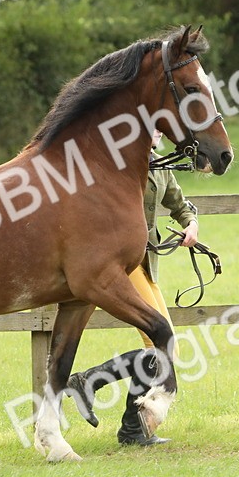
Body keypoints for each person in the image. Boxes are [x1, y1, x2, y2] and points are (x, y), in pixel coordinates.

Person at [66, 131, 198, 446]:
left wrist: (191, 224)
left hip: (147, 262)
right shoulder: (119, 161)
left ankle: (126, 423)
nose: (155, 131)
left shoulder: (161, 164)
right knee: (158, 341)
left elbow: (178, 202)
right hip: (122, 264)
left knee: (166, 348)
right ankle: (99, 393)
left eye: (158, 126)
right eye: (149, 124)